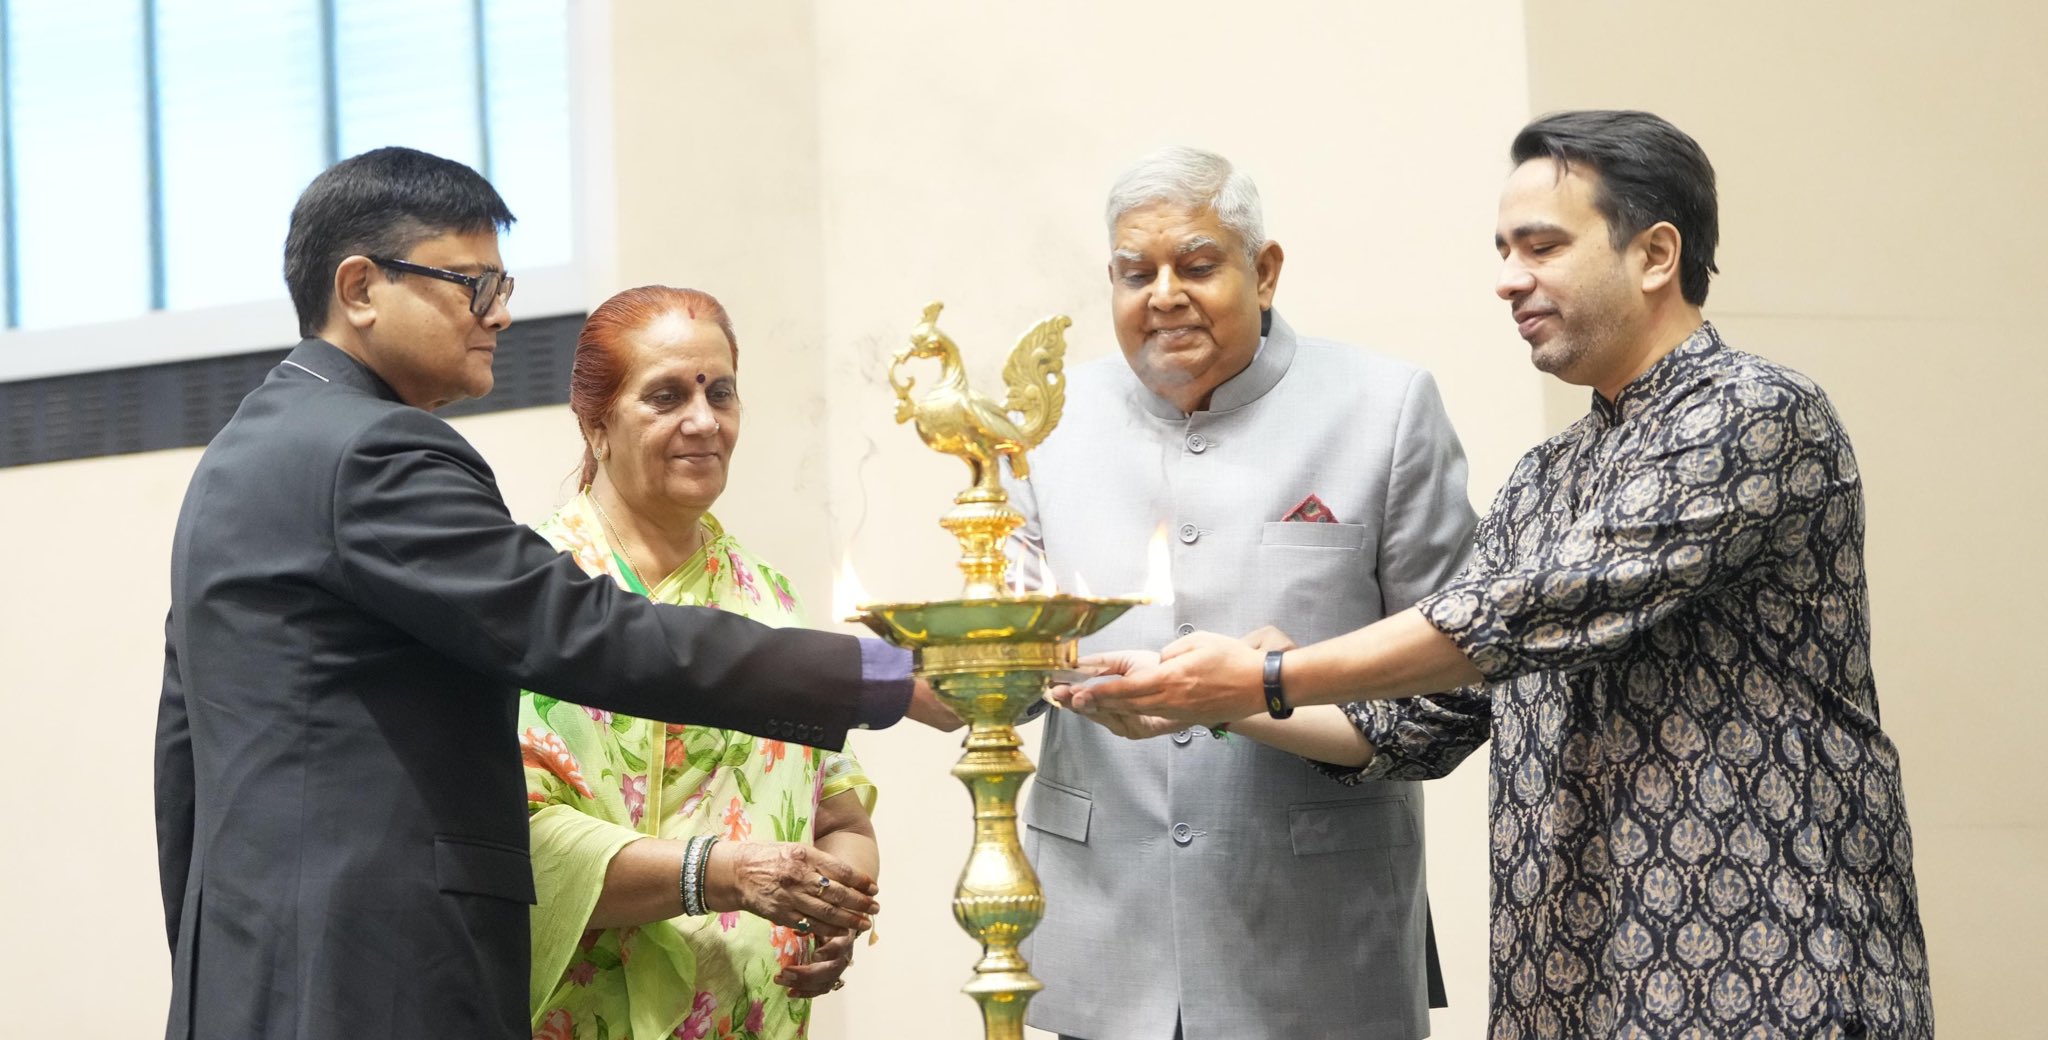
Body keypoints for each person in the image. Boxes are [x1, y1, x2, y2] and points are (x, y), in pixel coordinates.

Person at [1065, 112, 1935, 1038]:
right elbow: (1432, 716)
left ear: (1654, 255)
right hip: (1571, 978)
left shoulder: (1755, 413)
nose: (1508, 278)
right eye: (1504, 249)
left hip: (1765, 976)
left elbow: (1522, 615)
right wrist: (1219, 699)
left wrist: (1274, 675)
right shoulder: (1545, 477)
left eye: (1542, 246)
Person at [155, 148, 947, 1040]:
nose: (499, 313)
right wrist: (875, 676)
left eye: (721, 391)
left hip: (260, 964)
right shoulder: (376, 453)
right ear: (361, 287)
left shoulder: (243, 452)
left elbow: (184, 757)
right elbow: (581, 629)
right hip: (376, 977)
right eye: (471, 283)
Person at [1004, 146, 1479, 1040]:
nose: (1164, 294)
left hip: (1320, 941)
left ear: (1264, 272)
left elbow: (1456, 686)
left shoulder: (1385, 408)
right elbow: (1007, 665)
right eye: (1134, 272)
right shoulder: (1045, 421)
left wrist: (1260, 689)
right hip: (1102, 940)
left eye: (1198, 264)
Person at [523, 286, 878, 1040]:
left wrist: (839, 907)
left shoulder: (768, 600)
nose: (704, 421)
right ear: (596, 425)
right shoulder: (533, 592)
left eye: (720, 392)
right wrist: (725, 873)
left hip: (749, 1017)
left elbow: (841, 814)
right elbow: (518, 841)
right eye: (665, 396)